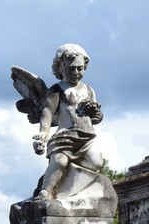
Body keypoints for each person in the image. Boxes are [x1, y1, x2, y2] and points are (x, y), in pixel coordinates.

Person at [32, 44, 103, 200]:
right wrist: (43, 133)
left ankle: (70, 191)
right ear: (60, 68)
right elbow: (48, 112)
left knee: (96, 162)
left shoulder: (89, 90)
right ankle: (46, 190)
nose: (76, 72)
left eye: (80, 68)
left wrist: (96, 114)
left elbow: (97, 117)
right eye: (71, 68)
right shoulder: (57, 89)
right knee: (59, 160)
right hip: (65, 136)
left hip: (87, 137)